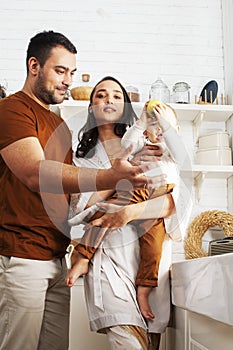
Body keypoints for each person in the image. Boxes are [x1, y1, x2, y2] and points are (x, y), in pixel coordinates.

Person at [0, 32, 161, 350]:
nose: (67, 81)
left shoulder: (57, 124)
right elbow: (36, 174)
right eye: (60, 71)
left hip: (56, 258)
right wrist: (110, 177)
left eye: (71, 73)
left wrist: (123, 184)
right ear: (34, 66)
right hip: (22, 255)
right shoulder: (11, 109)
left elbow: (71, 199)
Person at [64, 76, 190, 349]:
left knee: (149, 340)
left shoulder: (149, 147)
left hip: (149, 254)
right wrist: (115, 180)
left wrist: (131, 212)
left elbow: (176, 201)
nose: (108, 99)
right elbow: (81, 208)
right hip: (106, 257)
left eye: (116, 96)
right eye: (100, 95)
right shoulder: (79, 159)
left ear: (127, 108)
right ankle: (83, 257)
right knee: (127, 342)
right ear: (89, 108)